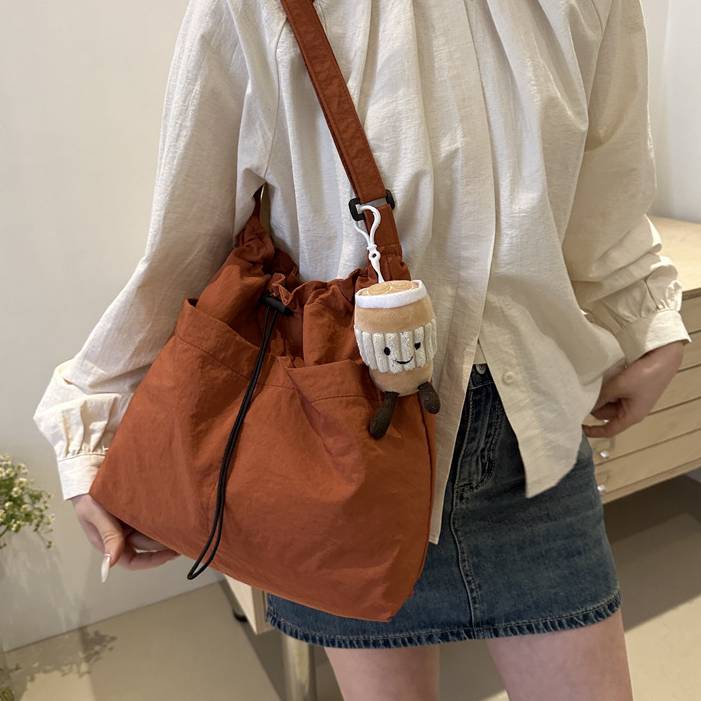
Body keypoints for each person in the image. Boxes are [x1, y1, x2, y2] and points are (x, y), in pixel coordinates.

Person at [32, 1, 692, 699]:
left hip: (529, 436)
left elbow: (605, 186)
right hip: (333, 442)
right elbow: (190, 235)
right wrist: (101, 417)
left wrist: (643, 318)